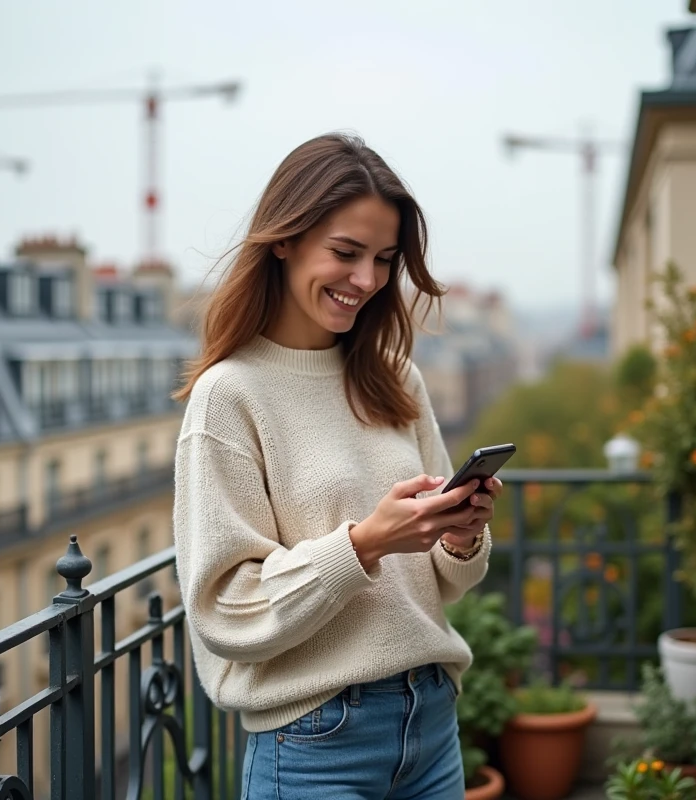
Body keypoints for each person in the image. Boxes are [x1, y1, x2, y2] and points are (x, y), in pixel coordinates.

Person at [172, 132, 501, 799]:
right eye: (346, 253)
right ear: (285, 240)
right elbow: (225, 611)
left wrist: (460, 534)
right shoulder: (230, 396)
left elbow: (440, 582)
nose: (368, 280)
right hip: (313, 741)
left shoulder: (398, 381)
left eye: (383, 259)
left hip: (430, 720)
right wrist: (366, 542)